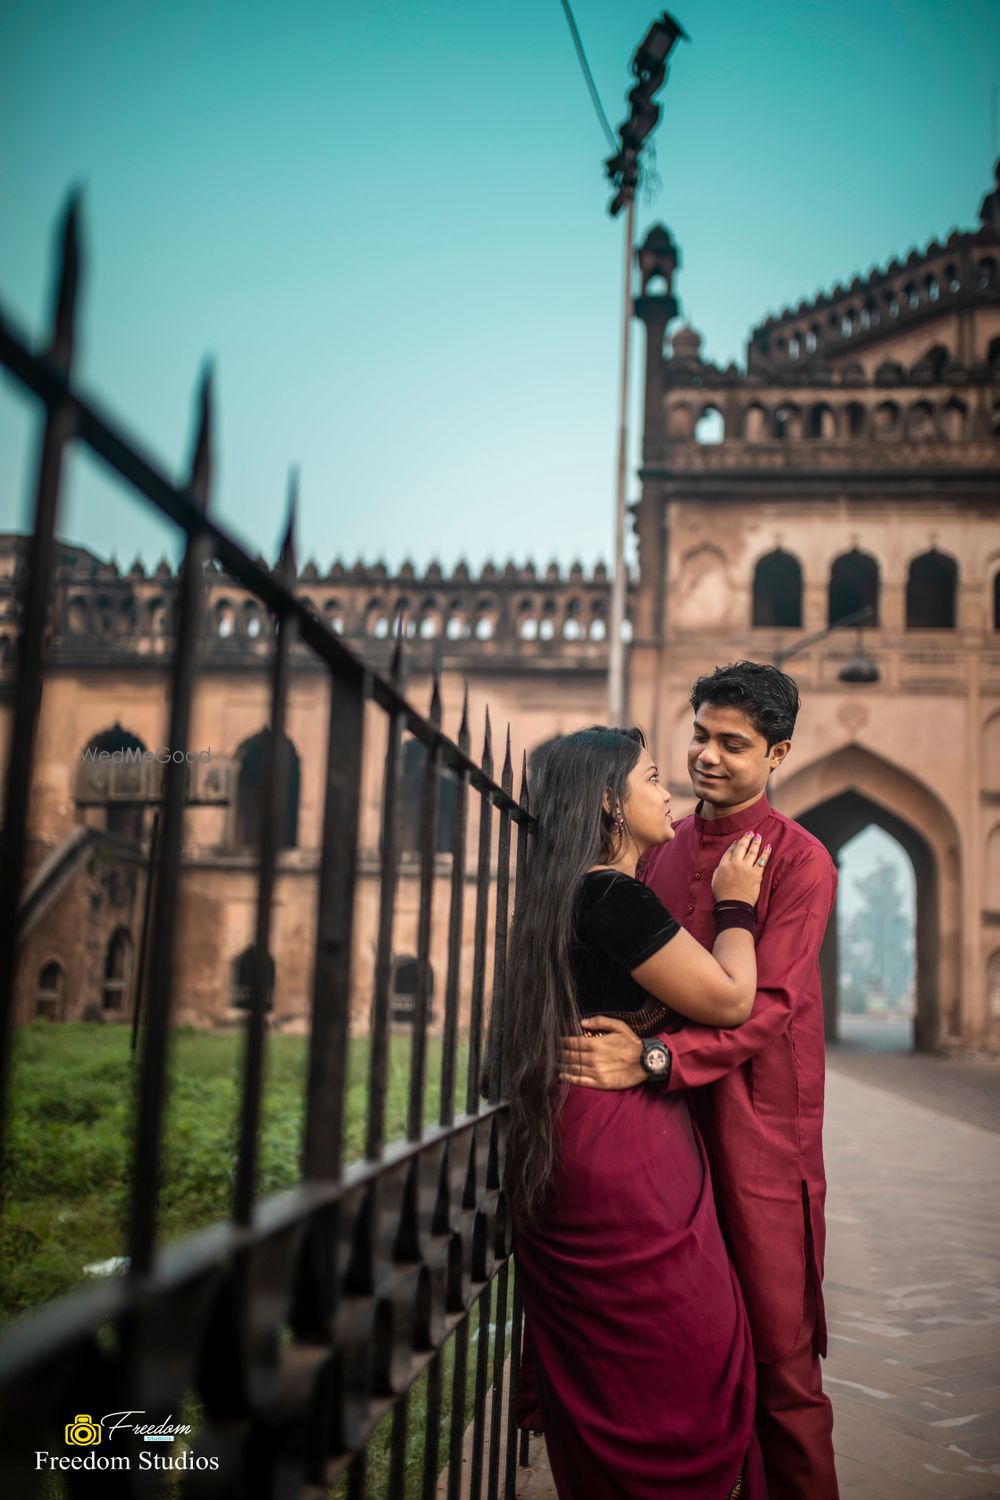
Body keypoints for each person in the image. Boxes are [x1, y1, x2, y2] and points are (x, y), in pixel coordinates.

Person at [559, 663, 838, 1500]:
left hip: (755, 1127)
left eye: (734, 744)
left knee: (779, 1367)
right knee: (697, 1357)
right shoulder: (663, 849)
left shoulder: (800, 860)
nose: (707, 758)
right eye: (699, 737)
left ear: (778, 753)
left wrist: (656, 1060)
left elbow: (768, 1010)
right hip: (662, 1133)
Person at [498, 724, 771, 1500]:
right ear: (611, 805)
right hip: (619, 1147)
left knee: (613, 1362)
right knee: (681, 1346)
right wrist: (737, 910)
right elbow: (729, 999)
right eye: (653, 778)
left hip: (574, 1129)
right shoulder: (610, 894)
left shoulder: (556, 890)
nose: (669, 791)